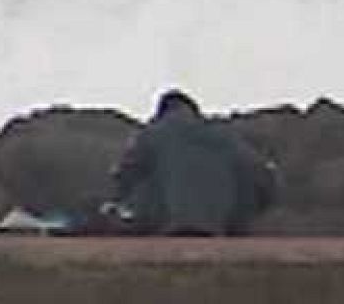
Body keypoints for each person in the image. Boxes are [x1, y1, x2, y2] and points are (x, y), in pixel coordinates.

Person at [109, 89, 278, 236]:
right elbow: (264, 176)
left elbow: (123, 175)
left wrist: (118, 206)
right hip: (222, 228)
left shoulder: (151, 134)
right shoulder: (226, 136)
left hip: (167, 227)